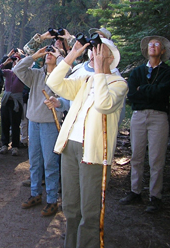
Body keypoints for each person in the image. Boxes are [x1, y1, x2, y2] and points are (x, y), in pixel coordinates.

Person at [46, 38, 128, 248]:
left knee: (90, 212)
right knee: (71, 208)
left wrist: (100, 71)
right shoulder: (86, 79)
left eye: (99, 51)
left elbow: (103, 104)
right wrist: (72, 54)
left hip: (94, 152)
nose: (94, 54)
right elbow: (54, 83)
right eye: (93, 50)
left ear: (110, 57)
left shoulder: (118, 84)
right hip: (70, 147)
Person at [13, 39, 66, 216]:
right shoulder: (36, 74)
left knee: (50, 162)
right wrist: (35, 55)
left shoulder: (62, 76)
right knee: (34, 161)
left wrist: (59, 56)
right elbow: (17, 69)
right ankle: (35, 193)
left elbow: (69, 70)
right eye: (48, 53)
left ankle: (52, 200)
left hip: (51, 124)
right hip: (33, 122)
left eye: (53, 53)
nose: (49, 54)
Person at [119, 35, 170, 213]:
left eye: (157, 44)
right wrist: (148, 92)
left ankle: (155, 197)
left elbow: (164, 92)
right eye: (150, 44)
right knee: (137, 155)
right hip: (139, 116)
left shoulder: (166, 72)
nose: (153, 46)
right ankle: (135, 191)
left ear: (162, 50)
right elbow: (132, 96)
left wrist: (144, 89)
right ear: (146, 50)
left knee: (156, 158)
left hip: (159, 116)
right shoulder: (137, 72)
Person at [0, 49, 24, 156]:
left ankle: (15, 146)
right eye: (14, 61)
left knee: (15, 123)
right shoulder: (8, 73)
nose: (15, 63)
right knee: (5, 122)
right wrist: (5, 62)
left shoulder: (23, 74)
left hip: (16, 102)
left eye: (17, 61)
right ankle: (4, 144)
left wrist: (21, 63)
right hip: (6, 101)